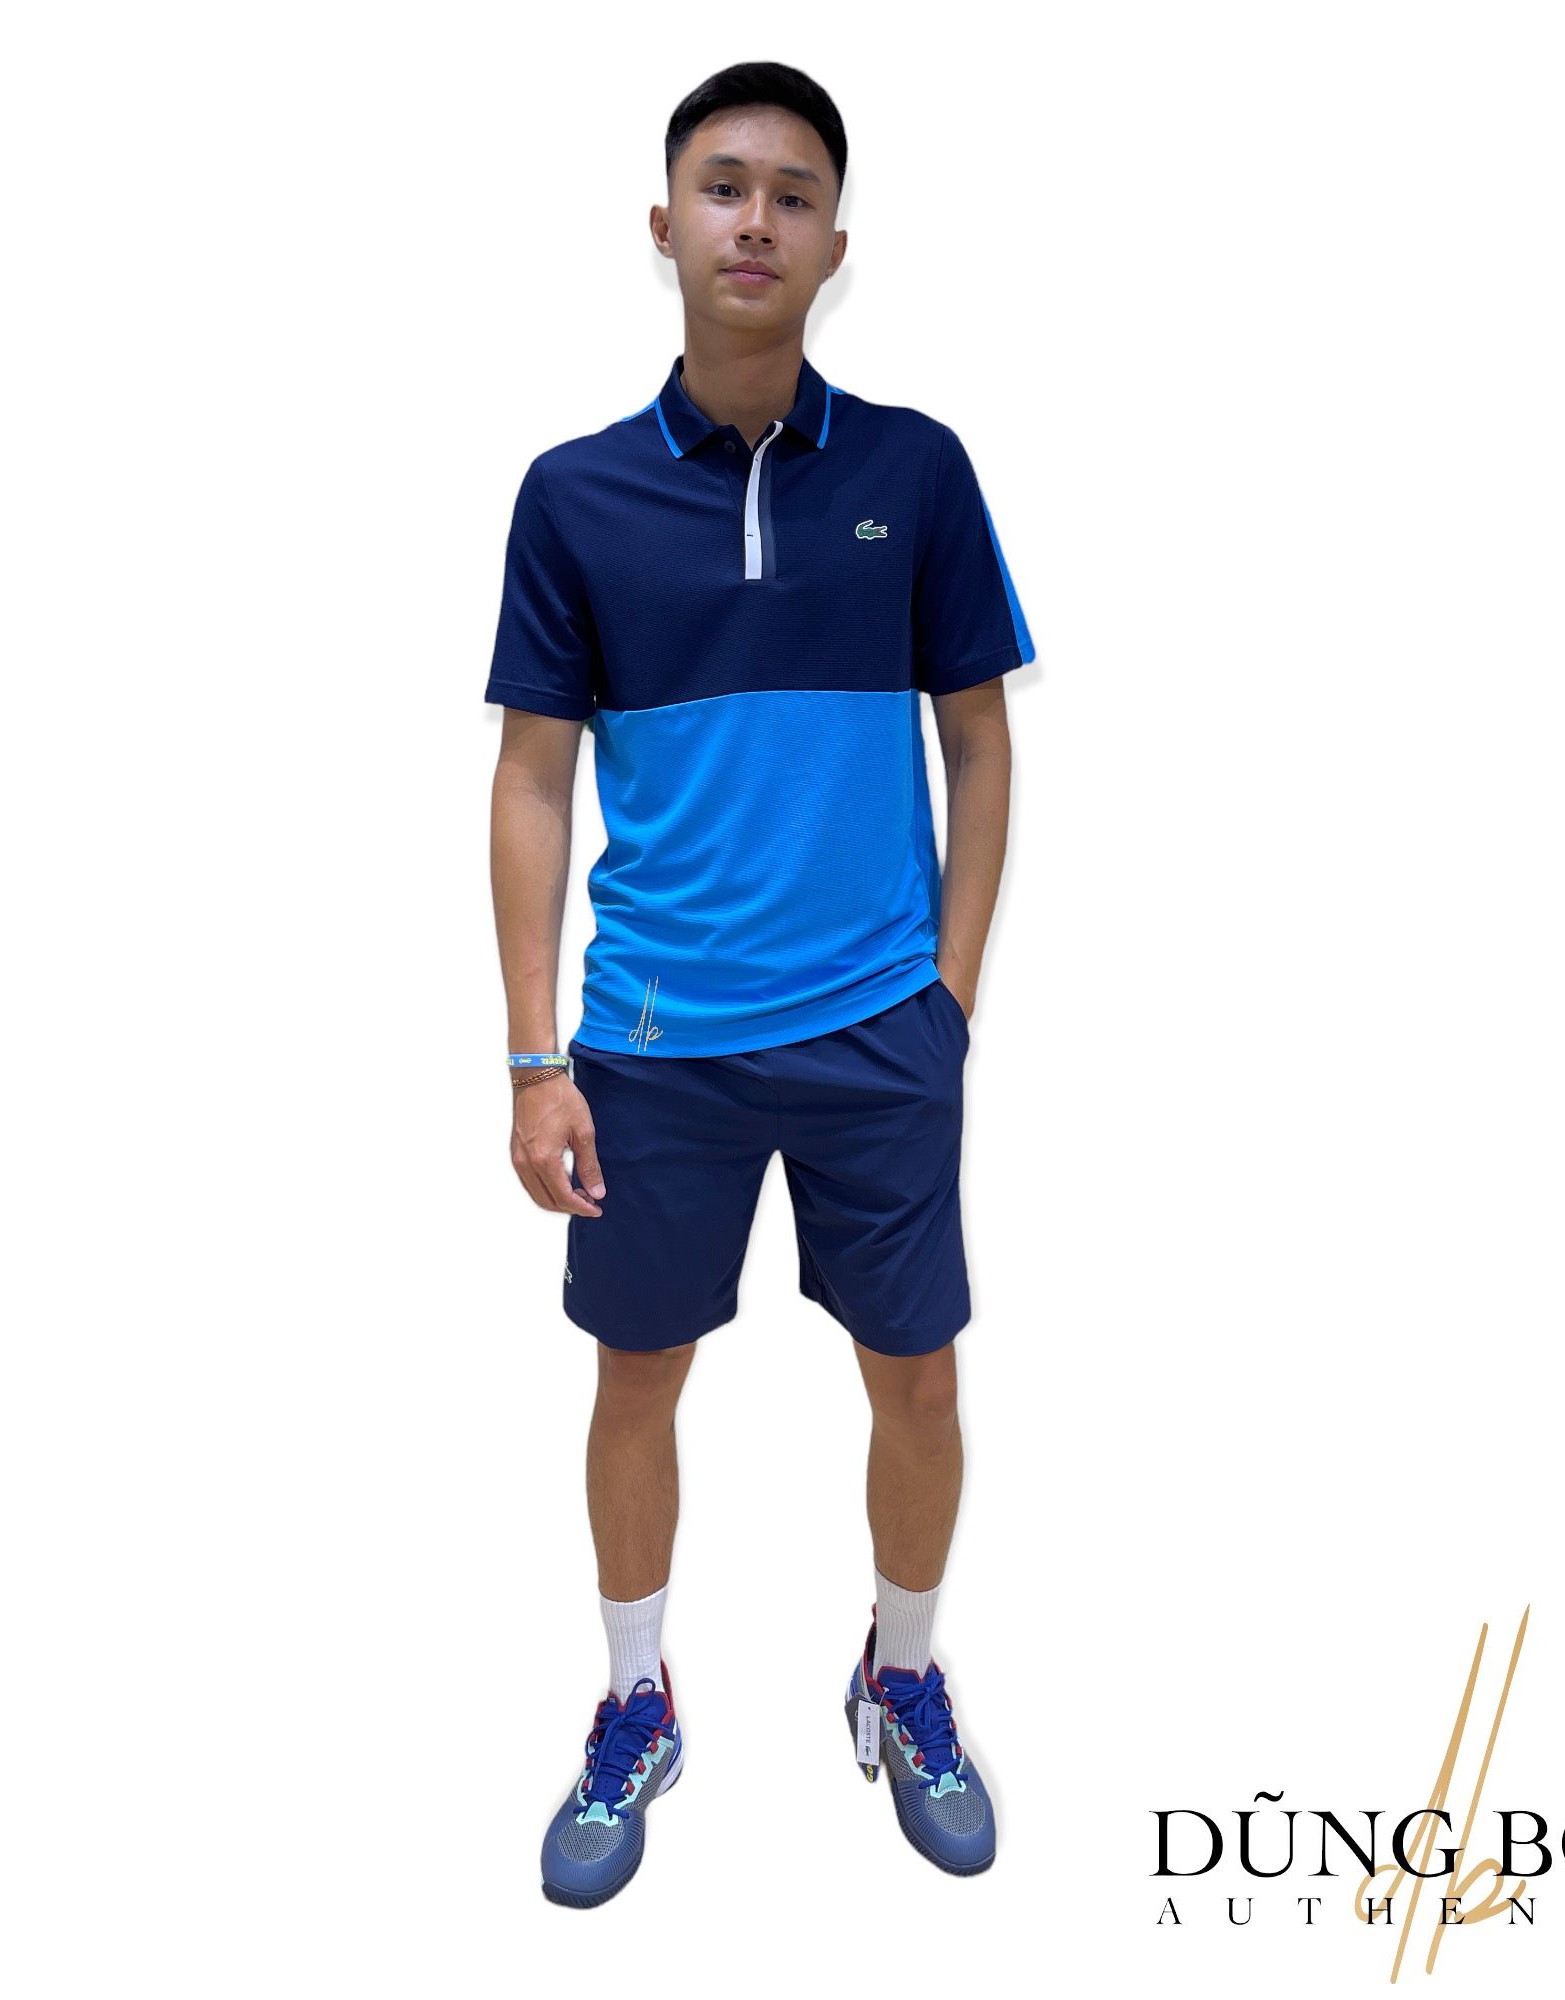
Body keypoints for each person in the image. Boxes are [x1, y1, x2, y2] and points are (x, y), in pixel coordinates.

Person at [483, 61, 1034, 1908]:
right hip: (654, 1045)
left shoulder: (915, 472)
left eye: (794, 195)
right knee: (637, 1380)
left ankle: (905, 1674)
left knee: (921, 1383)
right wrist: (534, 1061)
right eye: (723, 186)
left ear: (835, 245)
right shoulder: (573, 498)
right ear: (664, 225)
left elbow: (981, 739)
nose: (756, 220)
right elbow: (533, 782)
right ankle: (635, 1703)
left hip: (881, 1033)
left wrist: (949, 999)